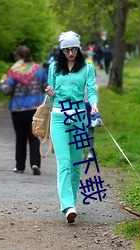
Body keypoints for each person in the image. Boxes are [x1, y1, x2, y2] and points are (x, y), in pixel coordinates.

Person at [45, 31, 98, 223]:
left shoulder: (87, 68)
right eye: (66, 50)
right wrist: (50, 92)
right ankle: (67, 205)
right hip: (59, 117)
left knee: (76, 164)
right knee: (65, 163)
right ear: (61, 50)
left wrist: (93, 104)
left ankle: (73, 201)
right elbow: (51, 97)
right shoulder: (53, 68)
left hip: (79, 119)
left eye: (74, 49)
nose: (70, 53)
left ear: (79, 48)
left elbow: (91, 90)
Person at [0, 45, 48, 175]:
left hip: (18, 109)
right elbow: (46, 87)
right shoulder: (39, 70)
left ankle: (20, 166)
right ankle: (35, 163)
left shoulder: (14, 71)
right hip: (35, 109)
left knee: (20, 138)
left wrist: (2, 83)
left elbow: (7, 90)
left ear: (18, 57)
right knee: (34, 137)